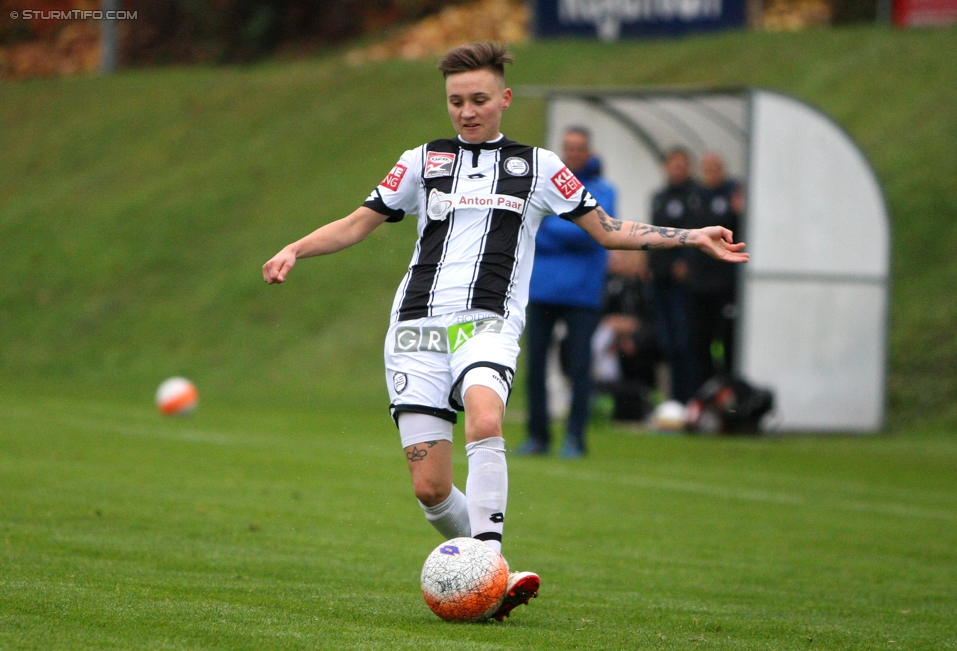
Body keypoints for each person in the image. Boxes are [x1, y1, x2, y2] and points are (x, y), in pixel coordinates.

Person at [262, 42, 748, 622]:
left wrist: (691, 235)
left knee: (485, 417)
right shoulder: (422, 162)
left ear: (505, 99)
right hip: (416, 328)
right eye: (456, 101)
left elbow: (610, 230)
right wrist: (296, 248)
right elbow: (355, 224)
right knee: (430, 489)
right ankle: (495, 572)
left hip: (486, 324)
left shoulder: (539, 168)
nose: (467, 111)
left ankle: (488, 567)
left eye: (479, 100)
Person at [520, 127, 617, 458]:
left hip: (582, 293)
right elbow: (528, 229)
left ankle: (575, 436)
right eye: (568, 147)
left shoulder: (603, 189)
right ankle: (537, 435)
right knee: (534, 366)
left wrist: (553, 226)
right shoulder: (544, 186)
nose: (573, 153)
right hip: (542, 290)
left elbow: (593, 232)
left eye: (579, 147)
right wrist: (570, 225)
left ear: (589, 151)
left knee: (579, 368)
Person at [648, 148, 701, 404]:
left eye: (682, 165)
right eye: (672, 165)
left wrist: (686, 263)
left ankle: (687, 400)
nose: (676, 170)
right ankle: (671, 400)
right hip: (660, 280)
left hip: (684, 284)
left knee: (684, 343)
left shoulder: (695, 197)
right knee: (666, 344)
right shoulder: (659, 197)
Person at [687, 152, 744, 390]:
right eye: (706, 168)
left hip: (725, 284)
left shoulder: (733, 197)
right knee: (699, 342)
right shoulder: (695, 198)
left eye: (715, 168)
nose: (711, 173)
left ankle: (729, 390)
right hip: (698, 285)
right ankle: (703, 391)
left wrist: (740, 213)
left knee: (727, 342)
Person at [593, 250, 662, 421]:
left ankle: (604, 383)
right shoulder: (613, 283)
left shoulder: (646, 286)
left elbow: (650, 319)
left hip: (643, 339)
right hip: (616, 336)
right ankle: (601, 386)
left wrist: (629, 332)